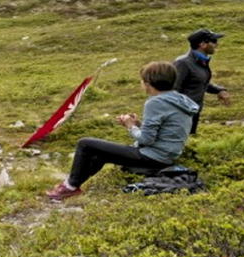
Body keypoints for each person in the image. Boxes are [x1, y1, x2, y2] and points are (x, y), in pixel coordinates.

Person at [47, 62, 199, 201]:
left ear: (148, 83)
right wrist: (138, 123)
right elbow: (166, 129)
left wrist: (130, 126)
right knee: (100, 153)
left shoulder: (155, 102)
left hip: (153, 158)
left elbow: (146, 140)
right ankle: (71, 186)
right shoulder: (178, 99)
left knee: (85, 143)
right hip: (167, 156)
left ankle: (70, 187)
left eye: (142, 81)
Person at [173, 28, 230, 134]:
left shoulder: (200, 62)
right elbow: (173, 90)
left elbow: (200, 82)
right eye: (214, 41)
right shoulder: (183, 63)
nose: (216, 45)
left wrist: (219, 90)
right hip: (182, 114)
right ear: (203, 44)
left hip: (193, 111)